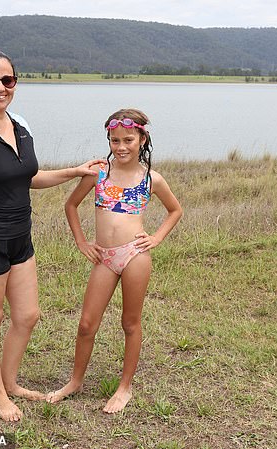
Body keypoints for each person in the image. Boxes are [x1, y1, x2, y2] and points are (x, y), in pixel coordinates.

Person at [0, 51, 102, 422]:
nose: (0, 87)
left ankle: (11, 381)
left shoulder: (20, 125)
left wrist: (74, 170)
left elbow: (27, 177)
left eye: (8, 80)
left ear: (16, 83)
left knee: (28, 316)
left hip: (20, 239)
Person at [46, 108, 182, 413]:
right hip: (105, 258)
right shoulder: (99, 173)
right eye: (114, 140)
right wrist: (82, 241)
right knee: (85, 324)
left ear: (142, 138)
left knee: (130, 323)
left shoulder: (151, 178)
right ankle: (75, 382)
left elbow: (175, 210)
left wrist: (156, 238)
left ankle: (124, 388)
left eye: (128, 140)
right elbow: (71, 205)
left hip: (135, 256)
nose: (121, 146)